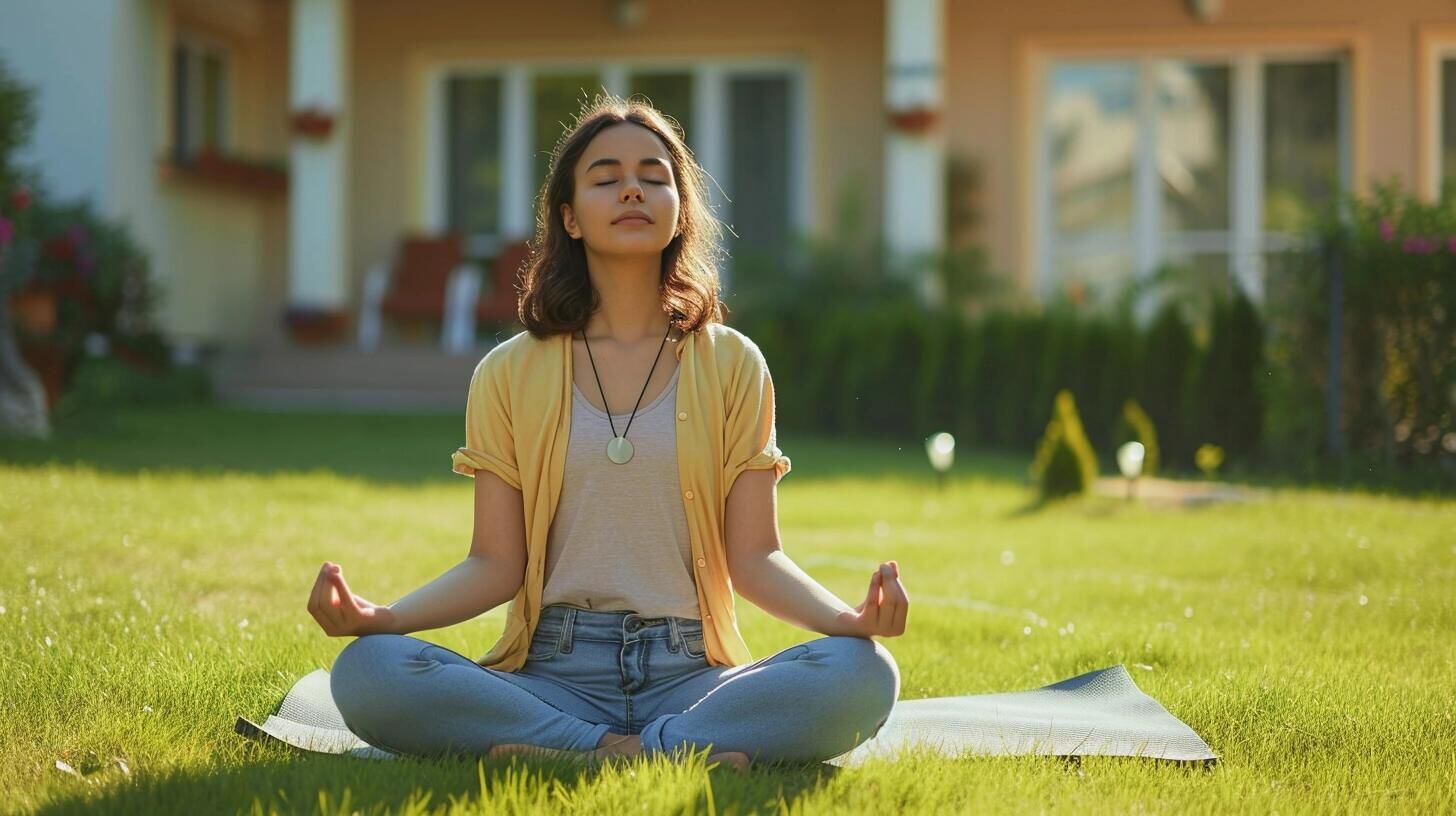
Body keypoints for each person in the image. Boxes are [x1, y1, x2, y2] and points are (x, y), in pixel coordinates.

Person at [308, 94, 909, 771]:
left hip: (692, 677)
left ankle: (573, 753)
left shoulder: (734, 363)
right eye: (605, 176)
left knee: (864, 672)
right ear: (569, 216)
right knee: (369, 670)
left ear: (679, 206)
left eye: (655, 175)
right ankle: (649, 753)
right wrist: (384, 620)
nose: (633, 187)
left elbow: (756, 559)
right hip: (552, 674)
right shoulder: (507, 373)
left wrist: (848, 624)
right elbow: (495, 565)